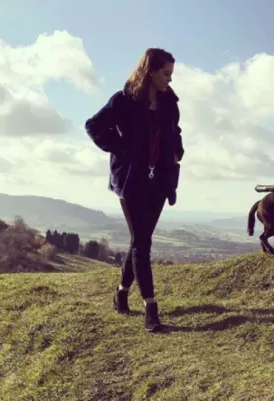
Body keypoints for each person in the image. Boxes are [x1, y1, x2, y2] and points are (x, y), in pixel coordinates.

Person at [85, 48, 184, 332]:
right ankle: (150, 308)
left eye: (171, 75)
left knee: (139, 240)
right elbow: (94, 126)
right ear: (150, 71)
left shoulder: (169, 104)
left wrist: (177, 151)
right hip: (131, 181)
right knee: (142, 244)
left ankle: (120, 294)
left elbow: (175, 133)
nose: (169, 80)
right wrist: (122, 149)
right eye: (165, 74)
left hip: (160, 180)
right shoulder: (124, 100)